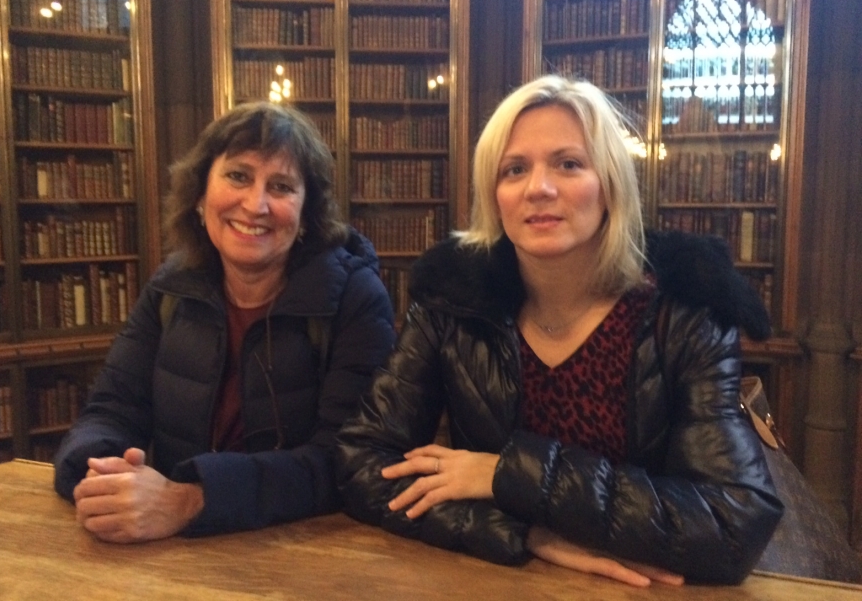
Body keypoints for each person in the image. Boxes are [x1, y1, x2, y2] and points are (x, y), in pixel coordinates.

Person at [336, 75, 783, 586]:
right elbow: (361, 463)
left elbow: (734, 523)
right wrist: (525, 534)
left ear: (610, 186)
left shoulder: (684, 314)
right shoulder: (454, 301)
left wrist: (506, 473)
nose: (539, 188)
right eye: (515, 169)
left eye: (568, 164)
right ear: (495, 196)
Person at [54, 101, 396, 543]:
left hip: (302, 549)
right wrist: (101, 474)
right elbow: (111, 408)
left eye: (281, 186)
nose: (256, 204)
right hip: (173, 547)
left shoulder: (356, 297)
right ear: (199, 195)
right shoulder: (171, 286)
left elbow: (347, 460)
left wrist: (193, 498)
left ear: (307, 214)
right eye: (238, 176)